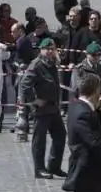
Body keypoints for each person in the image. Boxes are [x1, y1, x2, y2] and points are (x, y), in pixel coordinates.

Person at [20, 38, 67, 179]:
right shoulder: (36, 65)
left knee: (60, 136)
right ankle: (39, 169)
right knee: (39, 140)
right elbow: (25, 84)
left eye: (52, 49)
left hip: (53, 108)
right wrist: (34, 100)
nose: (50, 52)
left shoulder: (52, 64)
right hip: (42, 109)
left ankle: (54, 166)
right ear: (41, 50)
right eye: (47, 49)